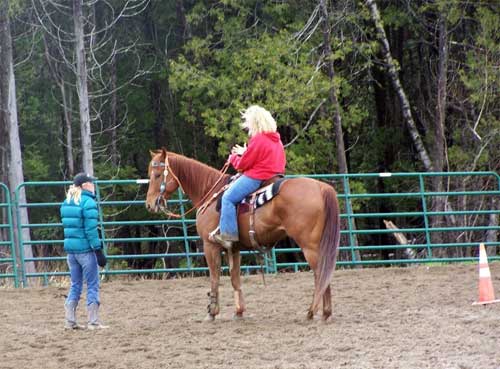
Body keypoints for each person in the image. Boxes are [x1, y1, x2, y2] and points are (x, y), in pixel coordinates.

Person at [211, 105, 286, 249]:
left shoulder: (258, 139)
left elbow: (242, 165)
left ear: (255, 122)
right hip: (275, 176)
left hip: (257, 177)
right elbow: (262, 156)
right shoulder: (276, 140)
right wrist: (246, 151)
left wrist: (233, 157)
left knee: (227, 198)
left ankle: (228, 237)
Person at [60, 172, 108, 330]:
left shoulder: (67, 201)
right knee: (93, 284)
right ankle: (93, 321)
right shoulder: (88, 202)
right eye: (91, 183)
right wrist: (98, 251)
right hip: (86, 251)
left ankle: (69, 321)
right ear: (85, 185)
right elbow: (91, 230)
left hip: (71, 252)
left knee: (75, 285)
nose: (93, 185)